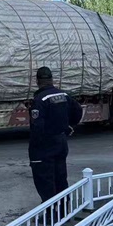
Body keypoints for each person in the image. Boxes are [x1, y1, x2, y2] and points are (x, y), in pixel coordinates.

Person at [29, 67, 84, 203]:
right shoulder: (64, 95)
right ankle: (63, 212)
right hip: (61, 142)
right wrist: (70, 126)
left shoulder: (40, 100)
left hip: (45, 146)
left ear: (37, 81)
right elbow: (77, 110)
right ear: (51, 80)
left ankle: (50, 216)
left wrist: (35, 149)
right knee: (60, 177)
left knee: (45, 181)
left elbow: (37, 127)